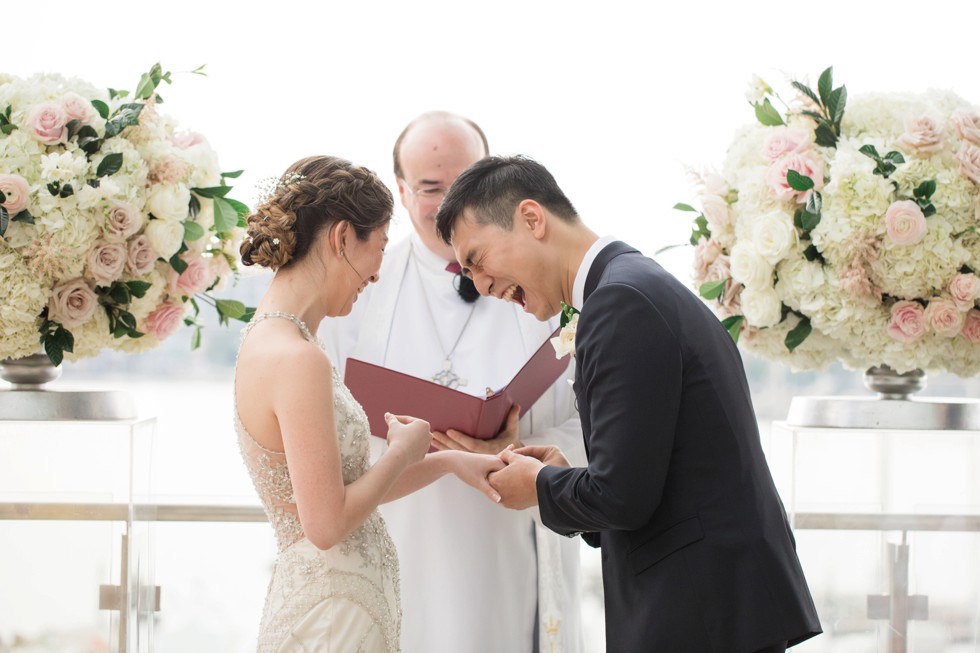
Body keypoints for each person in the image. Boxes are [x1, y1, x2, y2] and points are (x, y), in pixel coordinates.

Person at [435, 155, 823, 653]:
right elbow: (646, 479)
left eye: (478, 260)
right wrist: (560, 471)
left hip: (700, 611)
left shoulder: (621, 302)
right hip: (714, 603)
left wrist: (539, 487)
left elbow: (624, 496)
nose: (481, 286)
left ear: (532, 219)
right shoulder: (632, 284)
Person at [319, 114, 586, 653]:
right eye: (429, 188)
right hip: (398, 538)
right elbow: (326, 430)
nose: (447, 203)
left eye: (463, 182)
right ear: (400, 190)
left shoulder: (549, 290)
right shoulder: (356, 293)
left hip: (509, 543)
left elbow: (594, 424)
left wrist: (523, 449)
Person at [234, 155, 504, 653]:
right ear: (341, 239)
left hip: (336, 604)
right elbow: (327, 523)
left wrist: (446, 461)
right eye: (379, 246)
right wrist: (402, 450)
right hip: (335, 617)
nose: (377, 274)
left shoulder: (274, 340)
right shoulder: (298, 359)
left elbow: (338, 493)